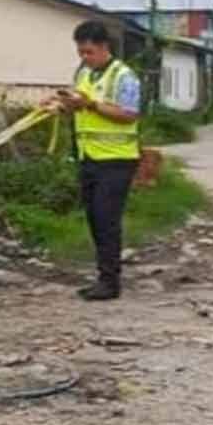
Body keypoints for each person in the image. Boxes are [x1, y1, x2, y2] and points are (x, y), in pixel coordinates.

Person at [46, 21, 141, 301]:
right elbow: (77, 106)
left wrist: (90, 105)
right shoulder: (84, 74)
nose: (84, 58)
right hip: (89, 157)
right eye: (80, 53)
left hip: (117, 160)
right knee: (94, 220)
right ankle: (103, 276)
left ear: (103, 47)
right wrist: (59, 105)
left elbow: (129, 114)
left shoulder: (124, 76)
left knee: (106, 219)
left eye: (88, 52)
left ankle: (110, 282)